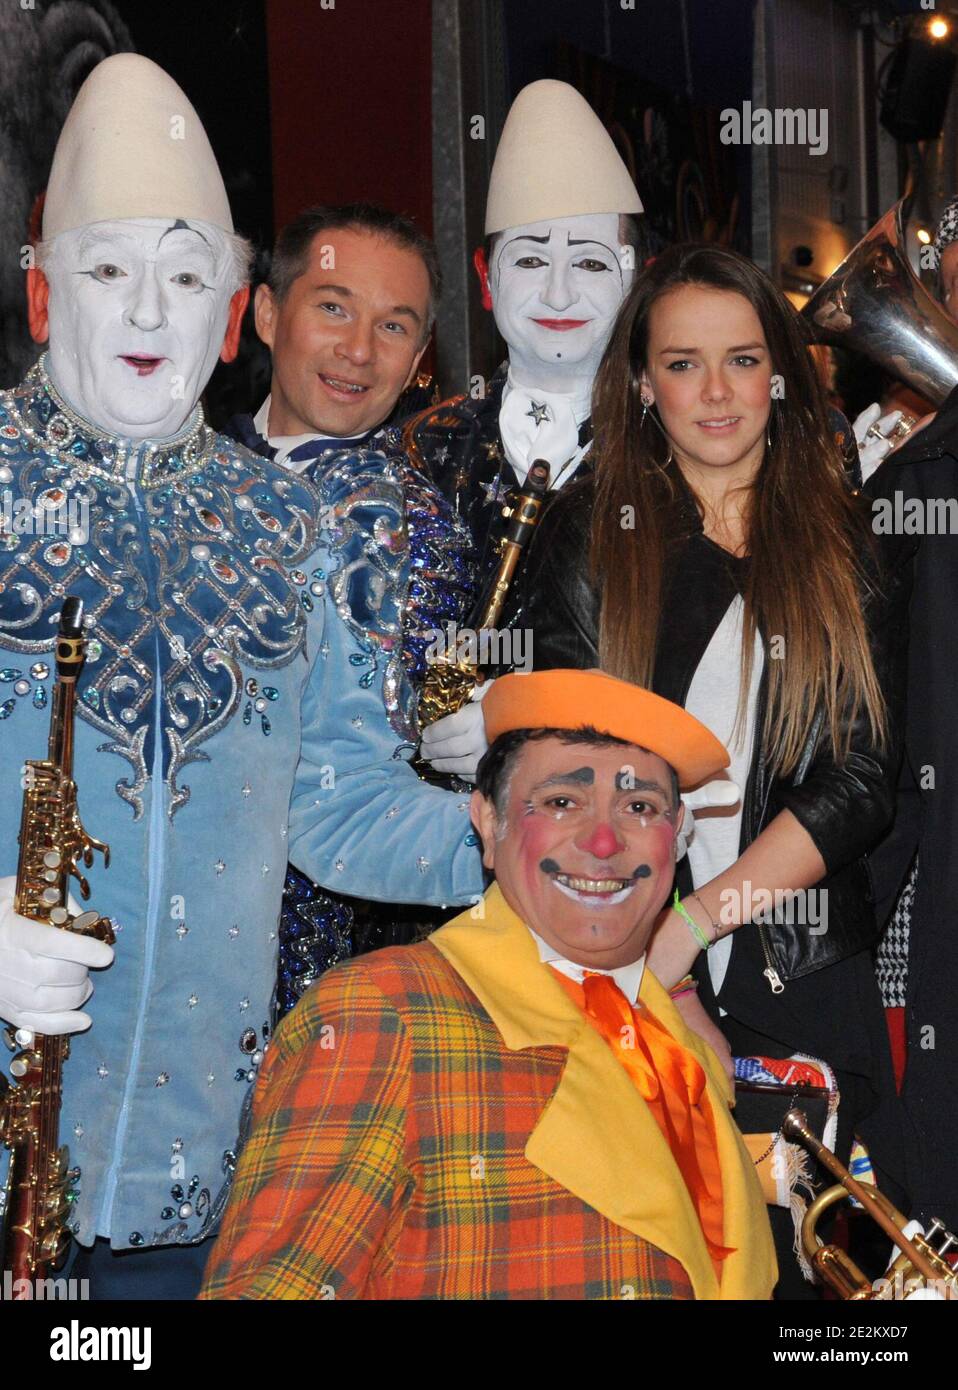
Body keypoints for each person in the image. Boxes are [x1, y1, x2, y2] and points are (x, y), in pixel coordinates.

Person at [0, 53, 485, 1299]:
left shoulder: (286, 527)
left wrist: (529, 835)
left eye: (186, 278)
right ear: (46, 295)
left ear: (231, 313)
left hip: (195, 1173)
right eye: (110, 272)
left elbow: (336, 805)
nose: (151, 317)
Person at [515, 243, 908, 1295]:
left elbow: (863, 779)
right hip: (606, 960)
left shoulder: (841, 539)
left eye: (741, 359)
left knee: (814, 1280)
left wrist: (690, 931)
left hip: (797, 974)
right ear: (641, 383)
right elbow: (559, 768)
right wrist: (642, 950)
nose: (716, 391)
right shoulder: (594, 537)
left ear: (780, 374)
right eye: (683, 363)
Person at [200, 669, 777, 1301]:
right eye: (561, 802)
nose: (605, 841)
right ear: (487, 824)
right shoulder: (382, 1013)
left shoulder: (679, 1050)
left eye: (640, 807)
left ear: (676, 841)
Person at [223, 204, 478, 1017]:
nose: (359, 351)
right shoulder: (175, 476)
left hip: (313, 972)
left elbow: (420, 748)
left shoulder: (420, 527)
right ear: (267, 312)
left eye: (394, 326)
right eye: (333, 307)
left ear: (418, 361)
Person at [409, 79, 644, 783]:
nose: (561, 294)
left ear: (635, 280)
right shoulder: (422, 448)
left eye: (592, 263)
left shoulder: (678, 449)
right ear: (486, 280)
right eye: (533, 259)